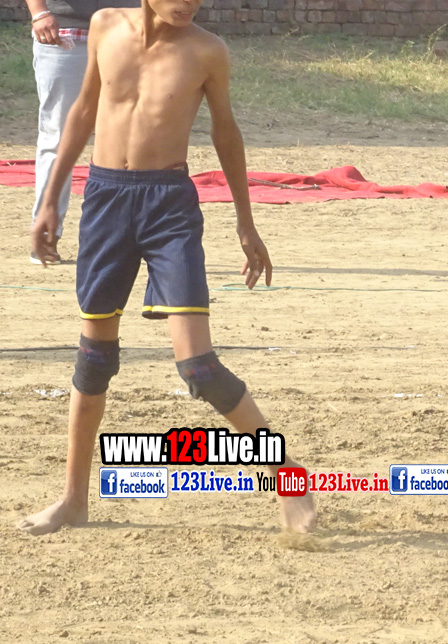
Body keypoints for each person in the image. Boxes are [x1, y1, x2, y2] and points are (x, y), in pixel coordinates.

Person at [18, 0, 317, 536]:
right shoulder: (105, 26)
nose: (188, 3)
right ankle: (73, 501)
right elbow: (83, 110)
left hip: (169, 207)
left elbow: (226, 133)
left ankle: (288, 477)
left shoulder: (207, 51)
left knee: (199, 367)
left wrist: (246, 224)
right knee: (94, 361)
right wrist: (49, 200)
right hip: (106, 200)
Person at [24, 0, 135, 264]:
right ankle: (46, 234)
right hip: (64, 32)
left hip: (129, 30)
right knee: (58, 137)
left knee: (129, 139)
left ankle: (122, 238)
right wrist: (39, 13)